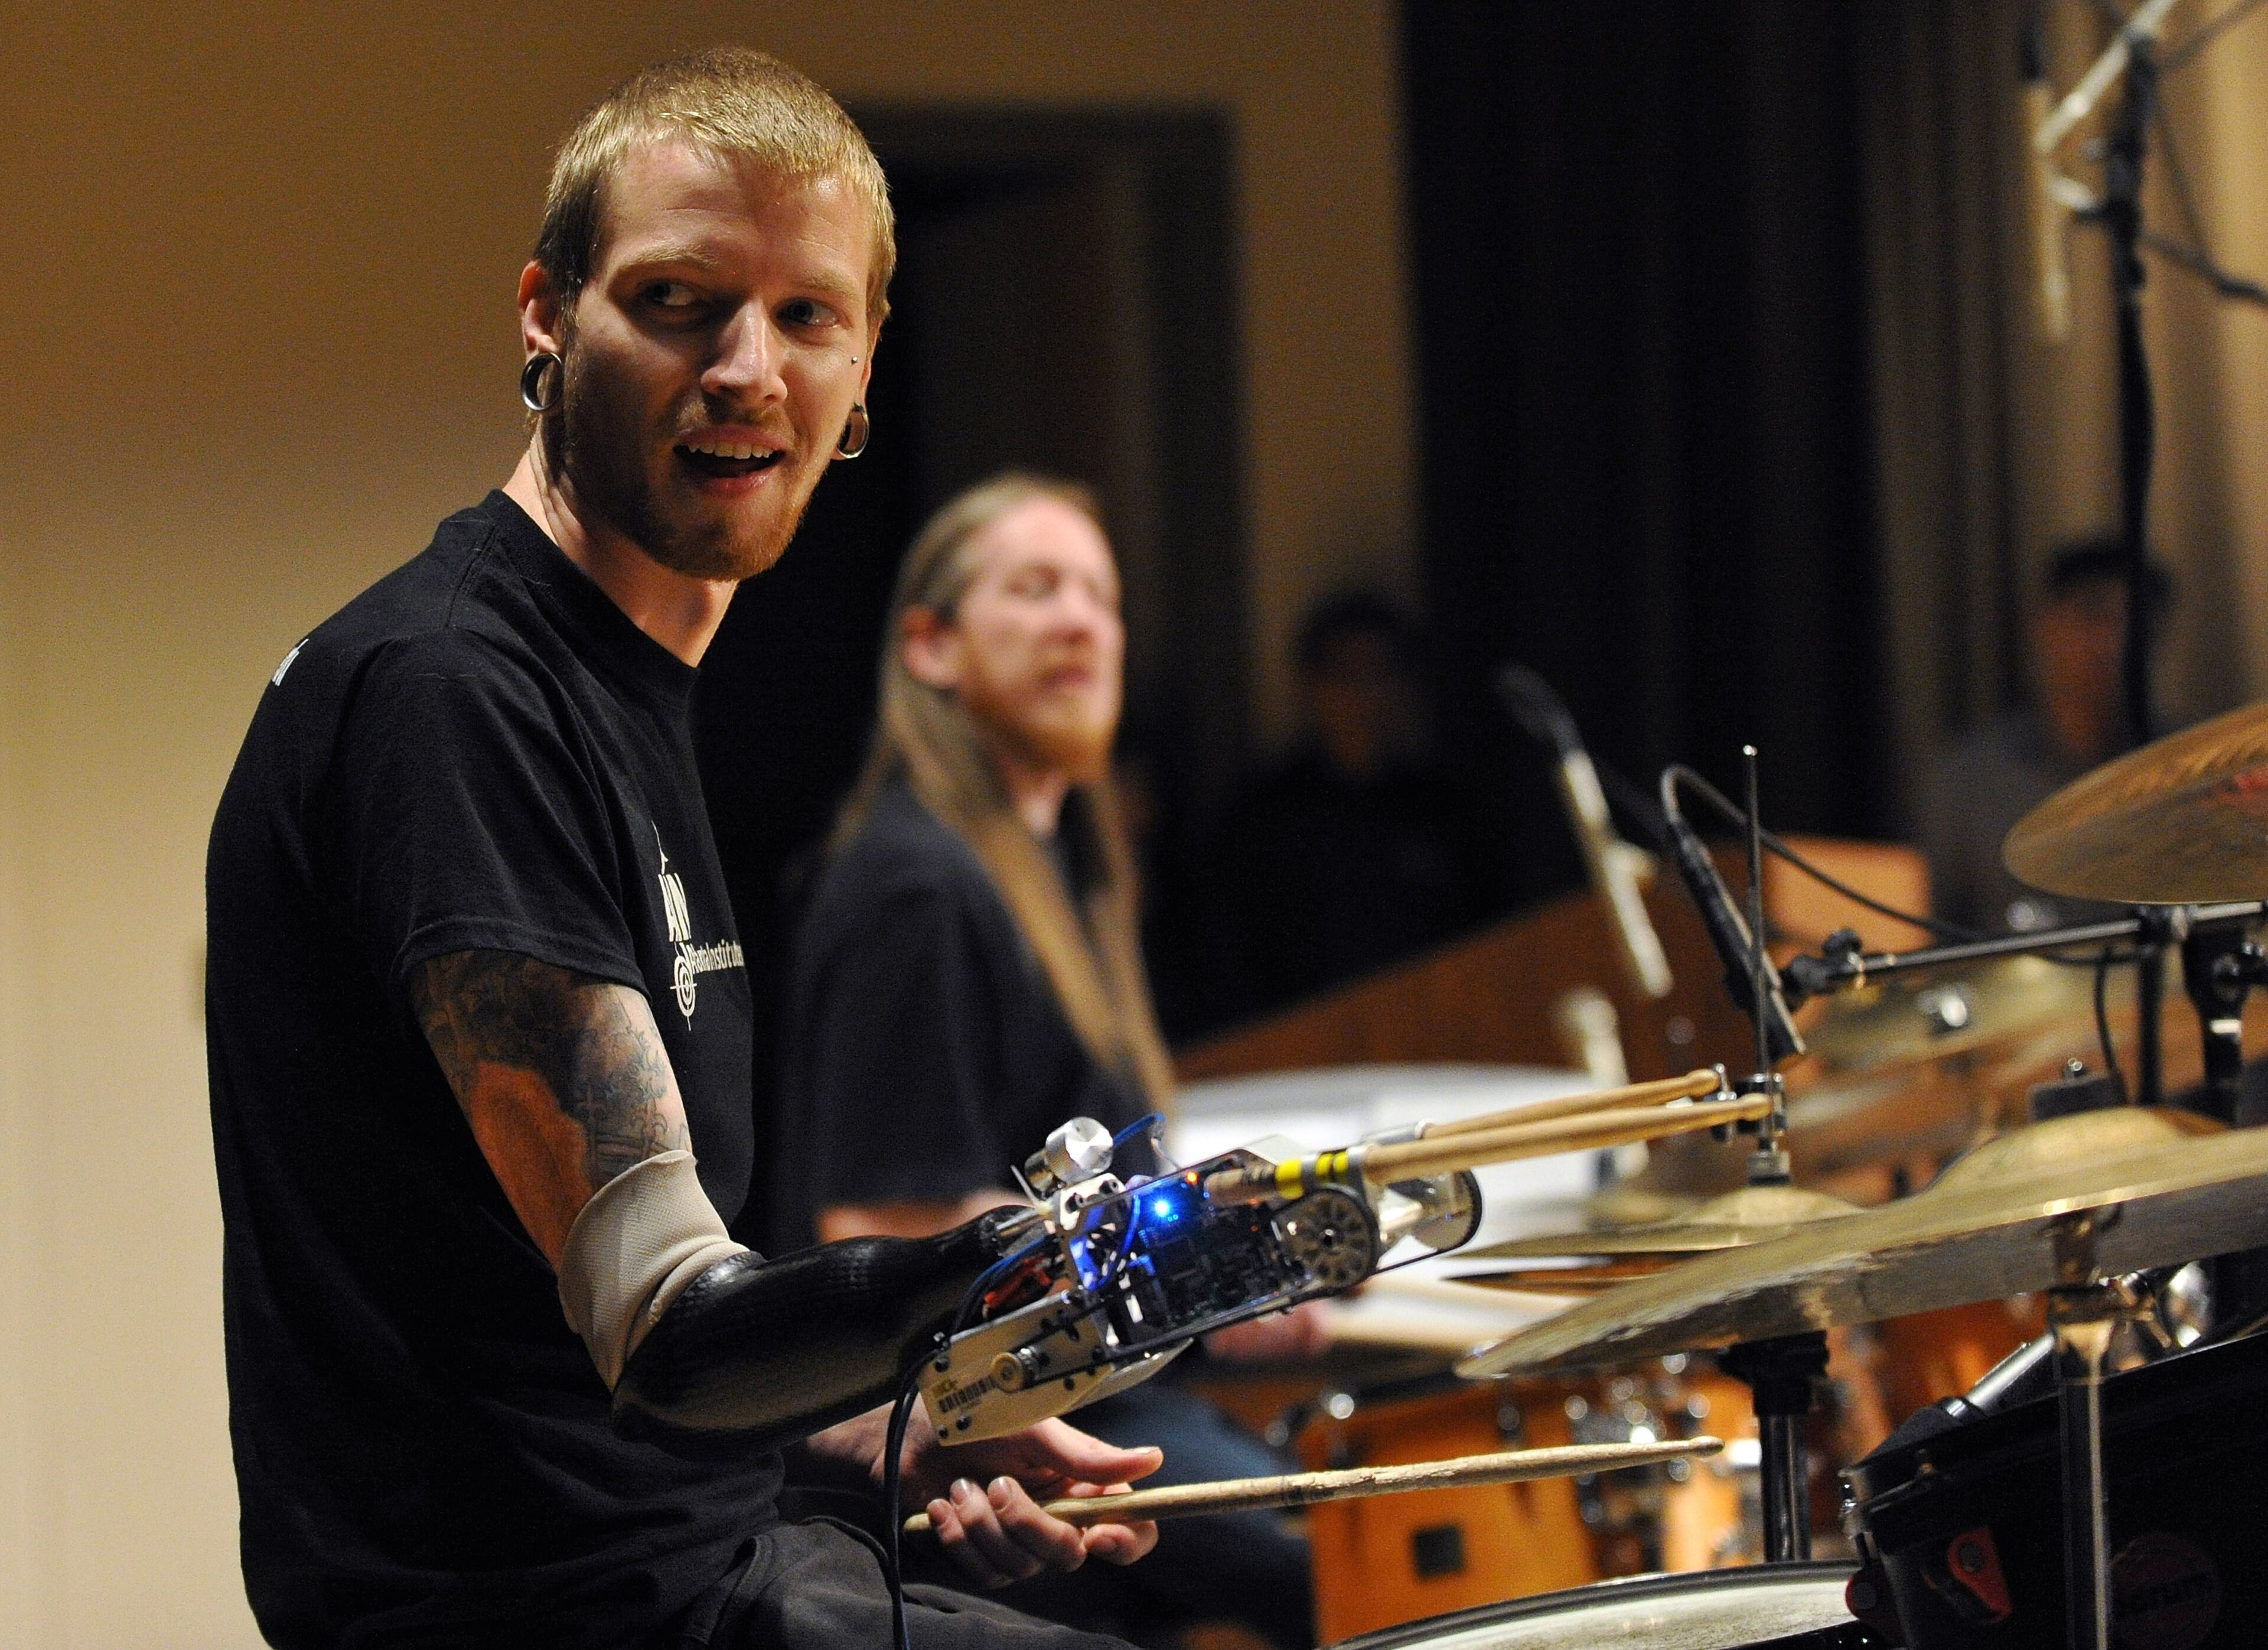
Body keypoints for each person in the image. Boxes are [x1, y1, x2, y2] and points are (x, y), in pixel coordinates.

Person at [204, 51, 1164, 1650]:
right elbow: (674, 1337)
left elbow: (574, 1367)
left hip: (692, 1568)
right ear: (543, 314)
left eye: (809, 318)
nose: (746, 368)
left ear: (863, 372)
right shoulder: (455, 696)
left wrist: (902, 1434)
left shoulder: (613, 685)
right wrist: (1014, 1272)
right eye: (677, 300)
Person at [773, 474, 1321, 1648]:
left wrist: (1235, 1280)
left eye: (1101, 596)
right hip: (991, 1434)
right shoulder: (918, 886)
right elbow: (880, 1224)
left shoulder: (1058, 874)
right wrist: (1207, 1260)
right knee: (1359, 1568)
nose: (1082, 621)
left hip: (1104, 1388)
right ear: (931, 646)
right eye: (1035, 590)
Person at [1211, 591, 1508, 1021]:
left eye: (1382, 673)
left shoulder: (1447, 813)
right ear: (1311, 686)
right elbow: (1237, 963)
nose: (1365, 695)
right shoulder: (1263, 820)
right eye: (1347, 675)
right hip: (1302, 1049)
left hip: (1434, 1036)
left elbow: (1484, 944)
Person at [1921, 536, 2174, 935]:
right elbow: (1933, 932)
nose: (2112, 641)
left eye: (2134, 621)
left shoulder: (2188, 770)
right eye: (2093, 613)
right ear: (2043, 621)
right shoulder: (1969, 778)